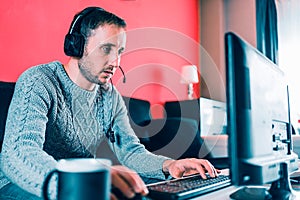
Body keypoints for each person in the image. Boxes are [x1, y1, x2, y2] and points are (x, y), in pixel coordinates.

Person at [0, 6, 219, 200]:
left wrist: (170, 165)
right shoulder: (40, 80)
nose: (116, 62)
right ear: (78, 45)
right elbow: (19, 152)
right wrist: (74, 181)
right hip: (23, 183)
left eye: (120, 52)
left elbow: (130, 152)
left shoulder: (109, 95)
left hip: (83, 184)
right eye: (106, 49)